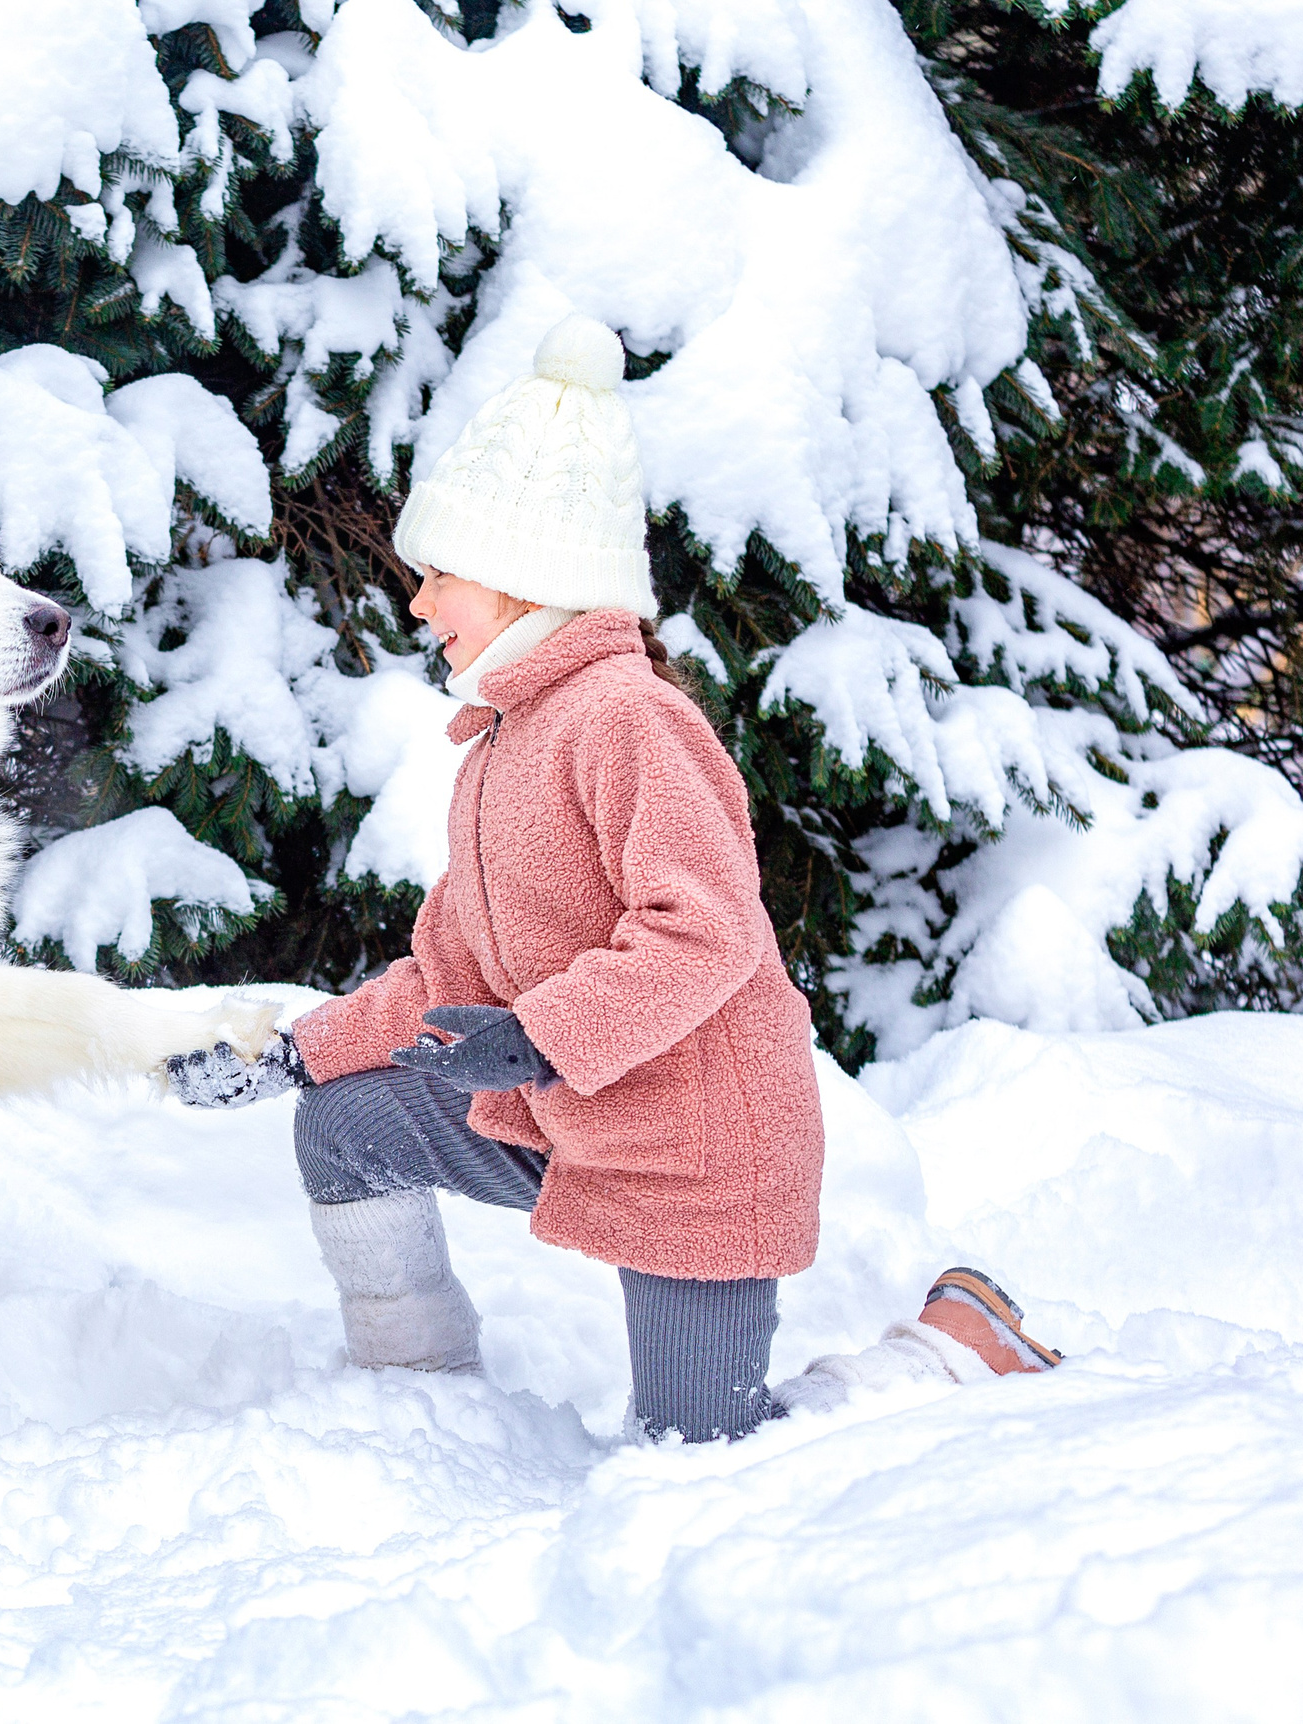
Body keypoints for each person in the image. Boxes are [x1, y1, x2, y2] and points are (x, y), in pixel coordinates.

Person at [167, 314, 1061, 1440]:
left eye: (441, 573)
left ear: (526, 579)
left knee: (705, 1451)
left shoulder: (627, 719)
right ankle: (413, 1392)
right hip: (560, 1119)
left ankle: (947, 1349)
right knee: (348, 1122)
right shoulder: (500, 740)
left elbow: (703, 929)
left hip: (694, 1154)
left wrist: (538, 1035)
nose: (419, 602)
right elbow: (444, 974)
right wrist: (298, 1053)